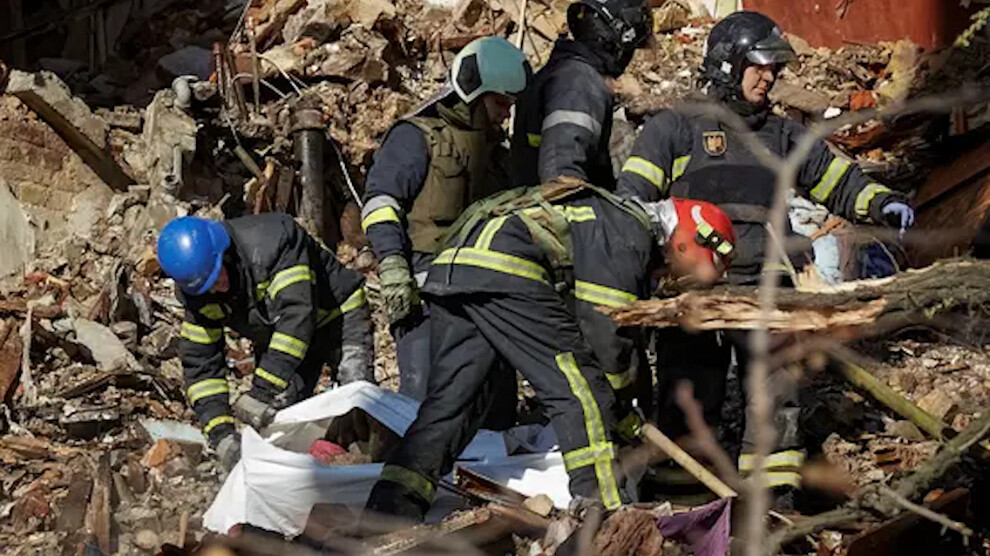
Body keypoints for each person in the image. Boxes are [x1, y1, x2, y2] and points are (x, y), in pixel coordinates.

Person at [616, 11, 916, 504]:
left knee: (777, 398)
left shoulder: (783, 136)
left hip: (767, 287)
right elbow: (630, 203)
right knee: (688, 395)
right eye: (758, 66)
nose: (769, 77)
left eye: (774, 68)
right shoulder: (674, 129)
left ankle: (773, 507)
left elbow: (839, 182)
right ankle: (683, 508)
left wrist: (882, 203)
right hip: (694, 290)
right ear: (727, 65)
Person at [363, 176, 736, 522]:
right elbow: (606, 333)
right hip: (505, 268)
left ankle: (390, 509)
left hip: (456, 266)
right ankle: (604, 513)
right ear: (685, 241)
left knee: (453, 404)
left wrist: (621, 401)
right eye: (692, 272)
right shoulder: (628, 233)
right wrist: (620, 404)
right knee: (581, 389)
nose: (672, 281)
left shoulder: (610, 219)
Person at [360, 37, 531, 406]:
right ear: (474, 93)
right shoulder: (416, 138)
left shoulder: (495, 154)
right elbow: (380, 202)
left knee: (494, 407)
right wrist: (392, 265)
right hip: (425, 297)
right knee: (424, 403)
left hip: (485, 297)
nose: (506, 114)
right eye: (501, 103)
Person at [157, 214, 374, 470]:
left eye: (217, 276)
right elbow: (201, 366)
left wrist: (262, 391)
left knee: (357, 399)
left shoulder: (275, 242)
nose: (218, 288)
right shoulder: (199, 294)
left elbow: (297, 317)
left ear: (224, 253)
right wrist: (221, 434)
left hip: (338, 315)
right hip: (278, 339)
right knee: (278, 420)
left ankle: (376, 472)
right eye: (209, 286)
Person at [511, 0, 652, 189]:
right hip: (555, 205)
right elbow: (561, 180)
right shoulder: (577, 83)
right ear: (617, 45)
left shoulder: (567, 72)